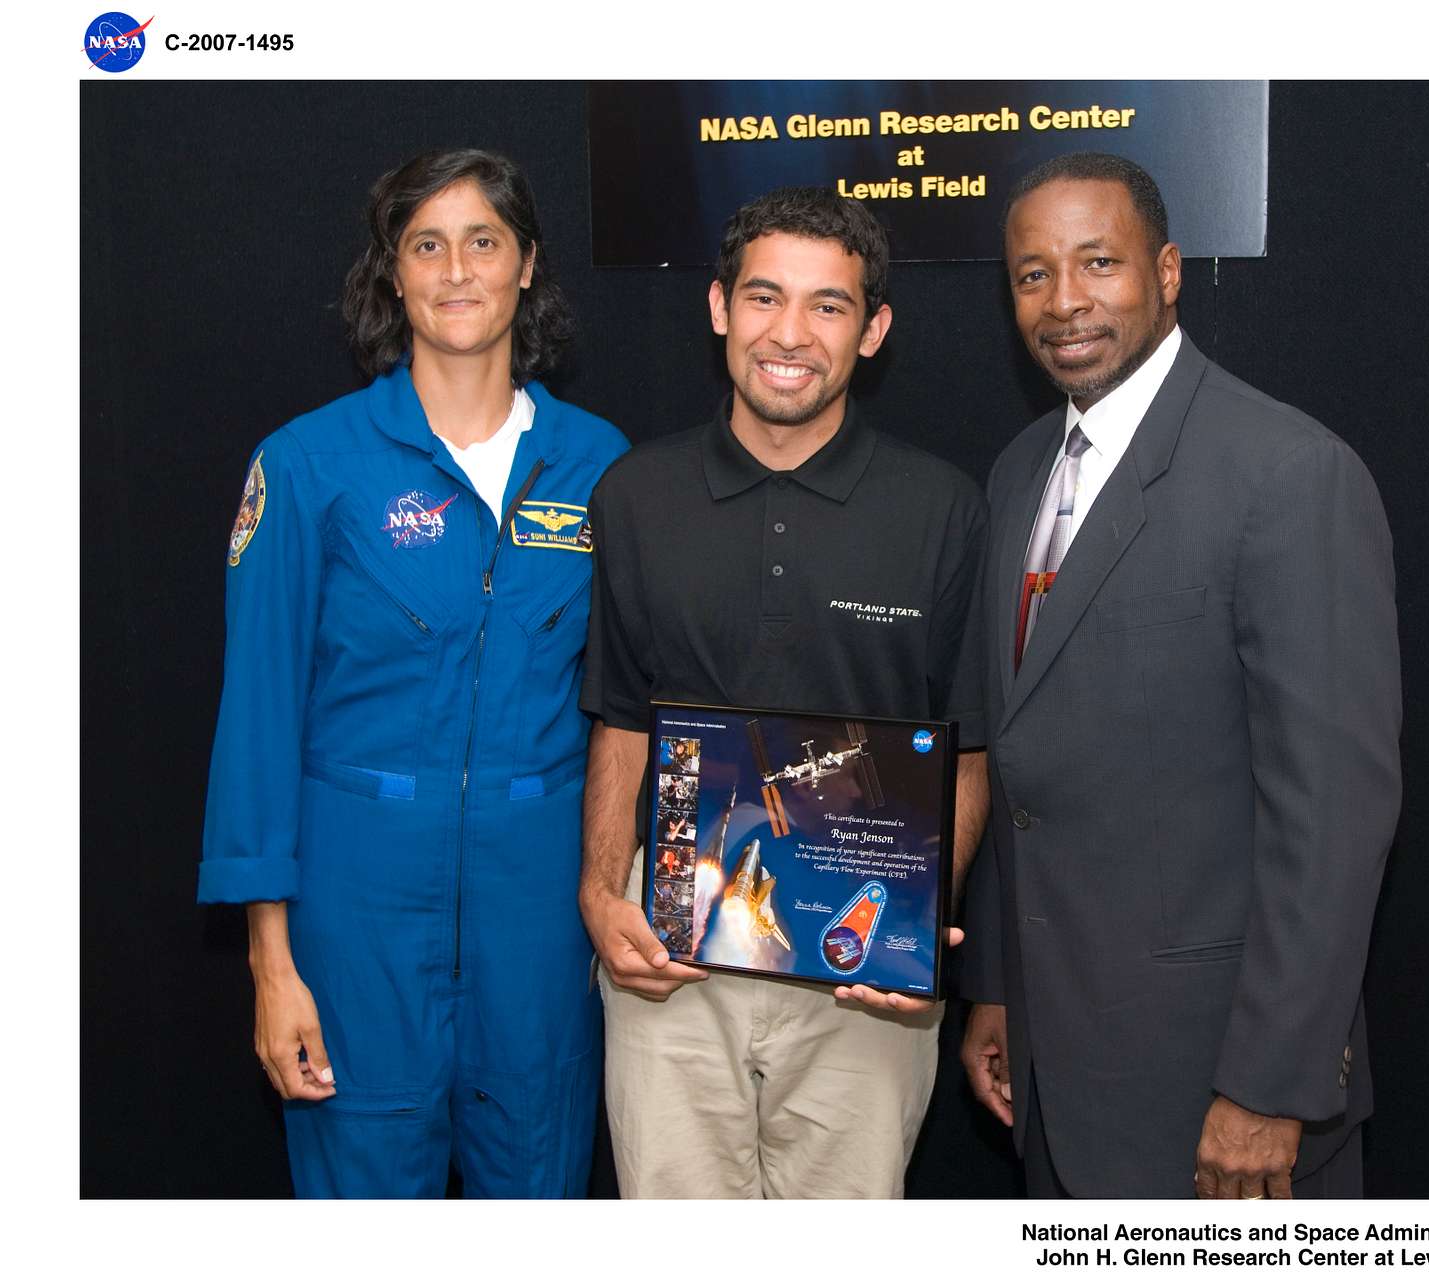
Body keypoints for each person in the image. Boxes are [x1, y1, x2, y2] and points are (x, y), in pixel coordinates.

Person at [959, 153, 1401, 1199]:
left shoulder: (1288, 474)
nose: (1064, 301)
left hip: (1221, 1094)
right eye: (1032, 273)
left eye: (1096, 262)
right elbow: (1019, 754)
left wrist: (1269, 1086)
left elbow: (1333, 815)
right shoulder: (1019, 470)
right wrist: (993, 984)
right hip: (1055, 1077)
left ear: (1165, 271)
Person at [197, 149, 628, 1197]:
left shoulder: (601, 464)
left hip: (539, 923)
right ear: (392, 274)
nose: (456, 270)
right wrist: (271, 961)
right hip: (357, 919)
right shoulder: (307, 465)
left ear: (527, 264)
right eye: (425, 245)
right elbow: (256, 718)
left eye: (483, 240)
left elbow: (632, 705)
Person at [579, 187, 991, 1199]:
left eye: (829, 305)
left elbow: (971, 746)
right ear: (719, 306)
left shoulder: (941, 506)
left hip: (858, 963)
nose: (789, 334)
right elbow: (622, 719)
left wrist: (914, 927)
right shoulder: (635, 494)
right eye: (764, 297)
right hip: (672, 944)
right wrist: (599, 891)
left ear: (874, 328)